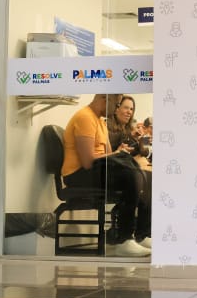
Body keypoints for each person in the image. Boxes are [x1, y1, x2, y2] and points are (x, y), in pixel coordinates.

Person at [61, 93, 151, 257]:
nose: (116, 110)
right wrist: (119, 156)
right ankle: (124, 240)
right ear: (105, 99)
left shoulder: (100, 121)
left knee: (146, 176)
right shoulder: (85, 117)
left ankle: (142, 234)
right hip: (78, 174)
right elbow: (87, 162)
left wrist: (120, 154)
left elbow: (109, 154)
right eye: (117, 105)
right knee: (131, 176)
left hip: (95, 169)